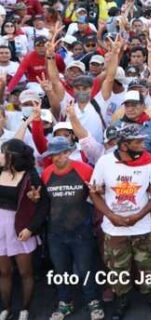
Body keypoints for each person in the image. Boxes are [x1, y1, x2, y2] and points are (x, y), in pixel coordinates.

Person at [88, 125, 151, 320]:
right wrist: (111, 216)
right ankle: (122, 300)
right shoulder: (105, 162)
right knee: (117, 269)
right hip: (114, 229)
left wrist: (139, 215)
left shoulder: (150, 163)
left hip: (143, 227)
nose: (143, 145)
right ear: (124, 146)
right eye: (138, 142)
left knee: (148, 265)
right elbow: (94, 192)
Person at [40, 136, 104, 320]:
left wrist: (99, 190)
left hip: (81, 230)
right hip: (55, 231)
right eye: (52, 155)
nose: (55, 158)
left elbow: (97, 193)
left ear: (68, 152)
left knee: (85, 269)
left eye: (59, 154)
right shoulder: (47, 173)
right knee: (61, 270)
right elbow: (44, 201)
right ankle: (65, 303)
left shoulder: (84, 169)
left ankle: (93, 302)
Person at [0, 140, 48, 320]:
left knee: (25, 272)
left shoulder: (30, 175)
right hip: (0, 228)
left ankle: (24, 310)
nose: (0, 155)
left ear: (13, 157)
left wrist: (31, 228)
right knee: (4, 272)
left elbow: (43, 205)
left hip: (20, 228)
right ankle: (6, 308)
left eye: (3, 152)